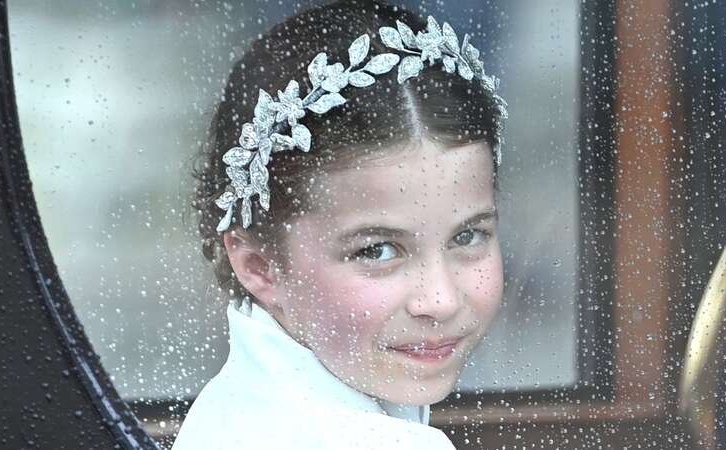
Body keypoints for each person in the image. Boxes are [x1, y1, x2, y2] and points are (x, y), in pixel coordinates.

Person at [173, 0, 507, 448]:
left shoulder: (238, 408)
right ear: (259, 265)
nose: (440, 300)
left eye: (467, 236)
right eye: (378, 250)